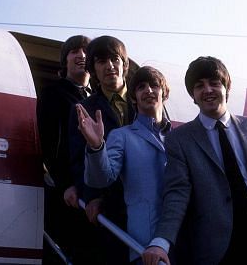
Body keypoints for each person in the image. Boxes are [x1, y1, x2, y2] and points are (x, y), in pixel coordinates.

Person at [142, 56, 247, 265]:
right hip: (218, 248)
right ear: (193, 95)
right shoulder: (180, 140)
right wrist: (161, 241)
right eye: (199, 86)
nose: (207, 90)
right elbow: (177, 194)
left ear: (226, 88)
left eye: (214, 83)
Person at [76, 66, 171, 264]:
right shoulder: (122, 136)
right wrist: (96, 147)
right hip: (143, 244)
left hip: (183, 241)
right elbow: (101, 178)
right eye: (141, 87)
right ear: (134, 98)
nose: (148, 91)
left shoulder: (181, 138)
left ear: (165, 93)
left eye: (154, 85)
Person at [68, 35, 136, 264]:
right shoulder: (83, 108)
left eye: (115, 59)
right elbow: (78, 159)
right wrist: (92, 196)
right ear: (93, 70)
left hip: (146, 199)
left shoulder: (146, 100)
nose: (109, 66)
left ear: (124, 64)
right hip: (111, 204)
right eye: (101, 61)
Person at [37, 35, 100, 264]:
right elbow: (49, 142)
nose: (81, 55)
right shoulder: (54, 93)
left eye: (85, 51)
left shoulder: (97, 98)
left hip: (94, 189)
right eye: (74, 51)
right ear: (65, 60)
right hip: (70, 194)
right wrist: (65, 184)